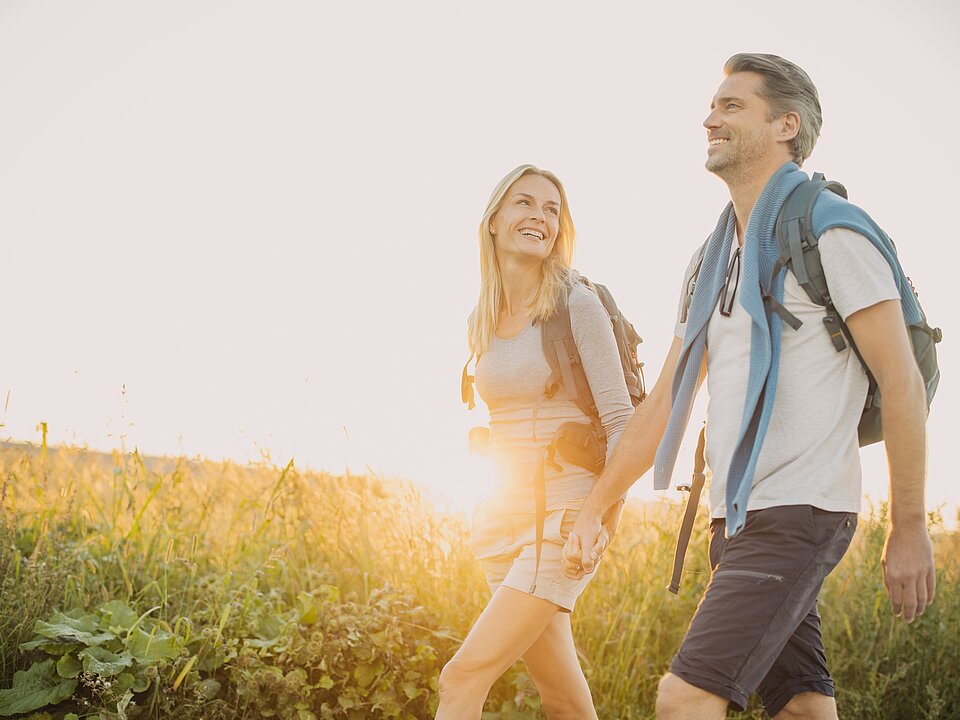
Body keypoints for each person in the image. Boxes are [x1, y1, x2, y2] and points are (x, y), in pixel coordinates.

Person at [562, 53, 936, 719]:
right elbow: (666, 401)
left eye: (732, 105)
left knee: (683, 701)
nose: (710, 118)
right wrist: (595, 506)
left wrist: (909, 527)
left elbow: (901, 382)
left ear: (786, 124)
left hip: (799, 511)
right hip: (733, 519)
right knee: (802, 709)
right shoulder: (711, 259)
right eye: (713, 105)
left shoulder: (832, 231)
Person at [437, 164, 634, 719]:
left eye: (552, 209)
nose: (540, 217)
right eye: (524, 203)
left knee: (461, 678)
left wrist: (601, 514)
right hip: (502, 522)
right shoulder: (483, 318)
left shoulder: (577, 304)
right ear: (494, 221)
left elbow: (623, 422)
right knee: (563, 700)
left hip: (564, 518)